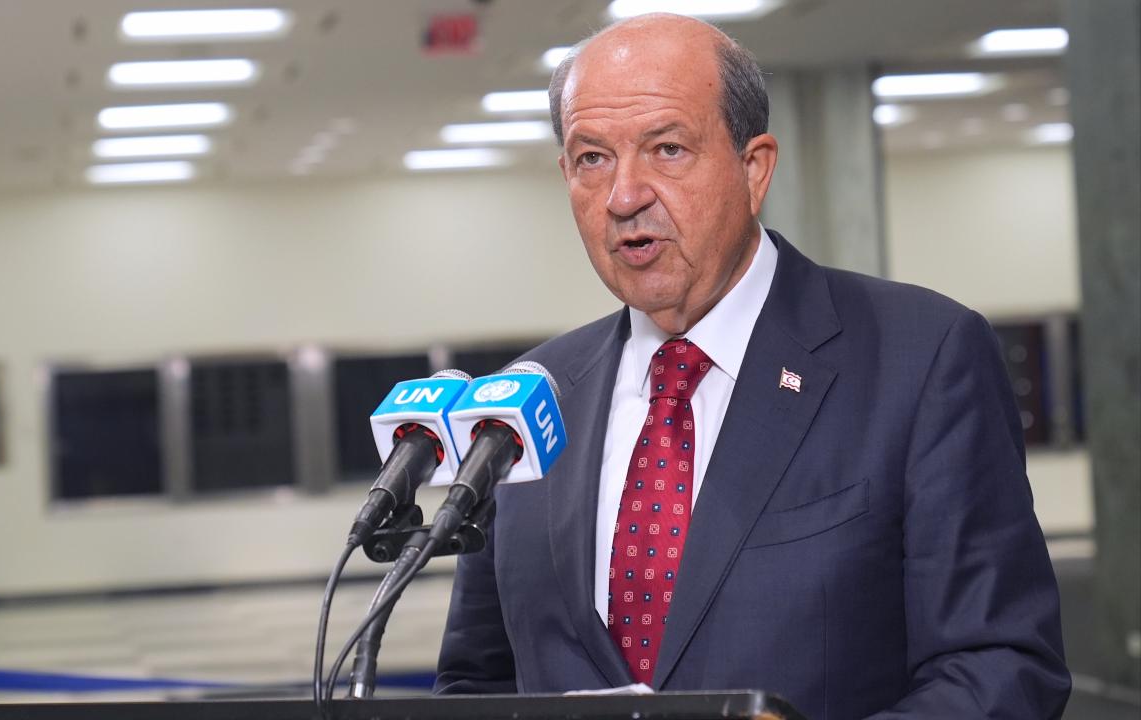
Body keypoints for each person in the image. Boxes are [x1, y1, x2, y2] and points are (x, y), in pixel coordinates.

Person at [433, 13, 1071, 719]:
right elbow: (474, 687)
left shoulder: (921, 358)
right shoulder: (525, 400)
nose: (624, 196)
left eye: (667, 149)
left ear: (754, 168)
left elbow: (1001, 668)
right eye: (592, 159)